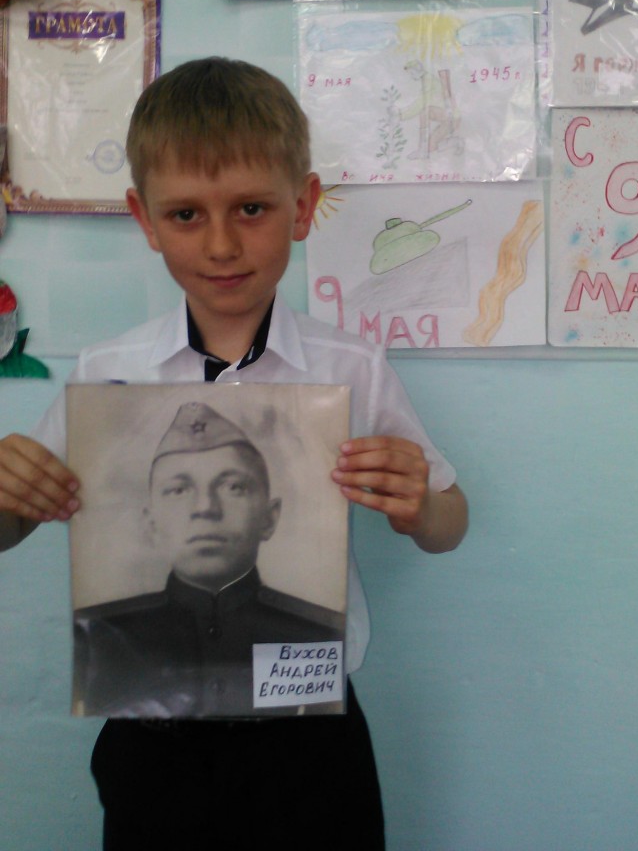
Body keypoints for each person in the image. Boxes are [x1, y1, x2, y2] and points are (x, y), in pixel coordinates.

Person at [0, 57, 468, 850]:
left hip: (310, 738)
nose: (221, 244)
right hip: (151, 737)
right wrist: (9, 493)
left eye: (252, 208)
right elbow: (11, 527)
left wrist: (422, 506)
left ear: (303, 206)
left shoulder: (351, 368)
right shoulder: (108, 372)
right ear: (144, 219)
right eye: (185, 214)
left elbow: (451, 522)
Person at [74, 400, 345, 718]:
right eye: (179, 490)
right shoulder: (99, 635)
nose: (205, 508)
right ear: (151, 524)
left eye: (233, 487)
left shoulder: (318, 632)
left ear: (269, 517)